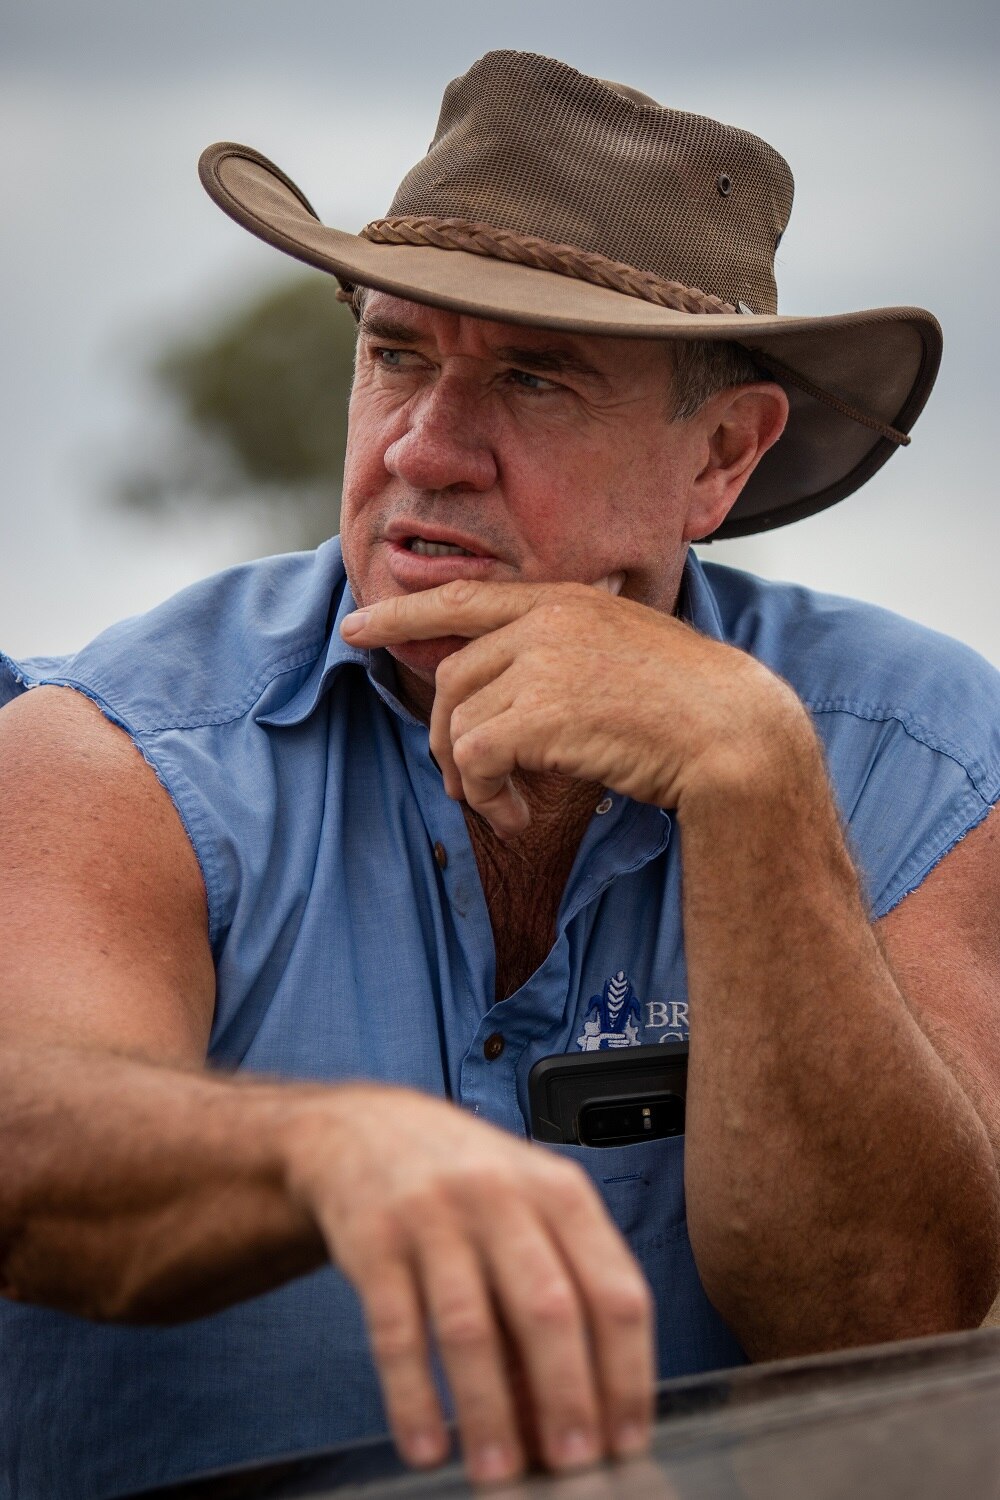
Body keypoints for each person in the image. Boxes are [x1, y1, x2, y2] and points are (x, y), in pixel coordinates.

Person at [2, 48, 999, 1500]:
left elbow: (888, 1311)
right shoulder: (116, 747)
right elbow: (26, 1153)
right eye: (398, 352)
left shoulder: (908, 752)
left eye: (534, 379)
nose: (424, 446)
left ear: (721, 456)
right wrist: (335, 1152)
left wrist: (756, 787)